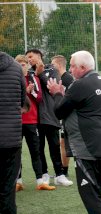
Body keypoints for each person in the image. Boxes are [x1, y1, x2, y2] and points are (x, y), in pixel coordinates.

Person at [47, 50, 101, 214]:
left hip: (87, 145)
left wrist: (57, 93)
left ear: (83, 68)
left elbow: (59, 110)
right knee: (99, 191)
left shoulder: (81, 84)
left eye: (73, 66)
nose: (70, 69)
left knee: (88, 192)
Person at [25, 49, 73, 187]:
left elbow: (52, 87)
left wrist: (40, 74)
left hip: (50, 115)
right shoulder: (28, 74)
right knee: (39, 147)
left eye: (31, 56)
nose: (29, 59)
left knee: (54, 146)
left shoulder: (51, 70)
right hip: (35, 117)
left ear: (39, 56)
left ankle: (59, 175)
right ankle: (44, 174)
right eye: (27, 57)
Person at [15, 55, 55, 191]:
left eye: (23, 64)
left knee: (36, 151)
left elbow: (39, 98)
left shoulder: (34, 79)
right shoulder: (13, 80)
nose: (21, 67)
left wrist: (31, 91)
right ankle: (18, 181)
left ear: (27, 65)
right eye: (18, 65)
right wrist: (24, 92)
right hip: (17, 122)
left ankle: (40, 181)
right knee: (16, 153)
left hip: (32, 121)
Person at [0, 51, 26, 214]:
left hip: (10, 140)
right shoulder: (16, 68)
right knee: (8, 193)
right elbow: (22, 103)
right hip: (11, 141)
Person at [51, 55, 74, 177]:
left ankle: (65, 171)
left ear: (59, 65)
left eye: (53, 64)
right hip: (65, 116)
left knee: (68, 142)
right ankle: (64, 170)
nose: (51, 67)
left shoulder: (67, 79)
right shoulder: (62, 78)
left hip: (69, 116)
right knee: (63, 142)